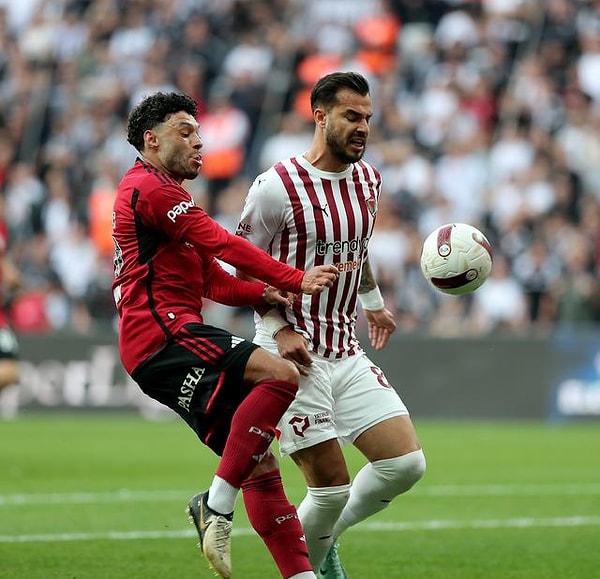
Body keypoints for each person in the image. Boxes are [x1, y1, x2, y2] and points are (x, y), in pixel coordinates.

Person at [111, 91, 340, 579]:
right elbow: (220, 241)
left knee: (258, 463)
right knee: (280, 375)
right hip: (162, 332)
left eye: (199, 131)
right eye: (185, 131)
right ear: (151, 140)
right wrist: (292, 278)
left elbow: (212, 279)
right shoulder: (150, 190)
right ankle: (214, 504)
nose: (199, 141)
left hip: (157, 342)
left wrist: (260, 295)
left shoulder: (164, 194)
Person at [236, 72, 427, 578]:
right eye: (351, 116)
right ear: (320, 116)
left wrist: (374, 302)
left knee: (406, 465)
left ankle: (323, 541)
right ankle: (308, 566)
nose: (363, 127)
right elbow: (245, 268)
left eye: (367, 117)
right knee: (330, 488)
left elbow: (356, 251)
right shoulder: (275, 187)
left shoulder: (369, 180)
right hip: (290, 357)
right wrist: (280, 329)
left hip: (344, 347)